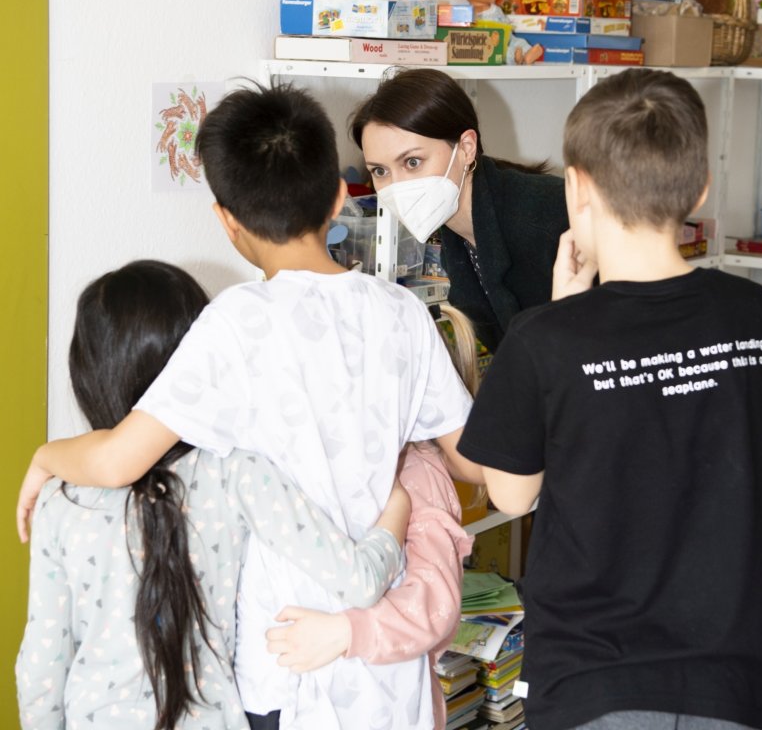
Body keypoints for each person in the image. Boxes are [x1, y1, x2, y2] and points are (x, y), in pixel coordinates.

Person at [17, 82, 483, 730]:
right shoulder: (403, 312)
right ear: (341, 195)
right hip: (383, 661)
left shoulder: (237, 322)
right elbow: (473, 462)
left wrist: (45, 456)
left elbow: (122, 457)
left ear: (227, 222)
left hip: (282, 663)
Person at [456, 68, 762, 730]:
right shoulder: (755, 314)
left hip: (594, 680)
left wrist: (561, 314)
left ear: (576, 188)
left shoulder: (545, 338)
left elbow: (511, 494)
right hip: (738, 676)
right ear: (699, 188)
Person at [15, 259, 412, 730]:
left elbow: (41, 669)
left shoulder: (61, 499)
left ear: (85, 372)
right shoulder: (235, 472)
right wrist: (399, 509)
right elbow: (361, 582)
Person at [265, 304, 482, 730]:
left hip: (394, 700)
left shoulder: (419, 473)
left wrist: (347, 632)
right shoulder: (352, 458)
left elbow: (437, 605)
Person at [349, 67, 569, 352]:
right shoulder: (459, 233)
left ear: (466, 148)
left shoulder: (541, 220)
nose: (397, 186)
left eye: (412, 162)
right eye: (380, 170)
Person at [456, 0, 543, 65]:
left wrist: (508, 27)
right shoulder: (466, 13)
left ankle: (527, 54)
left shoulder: (496, 9)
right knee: (501, 52)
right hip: (490, 44)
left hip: (507, 38)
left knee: (520, 42)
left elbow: (505, 23)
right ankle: (516, 58)